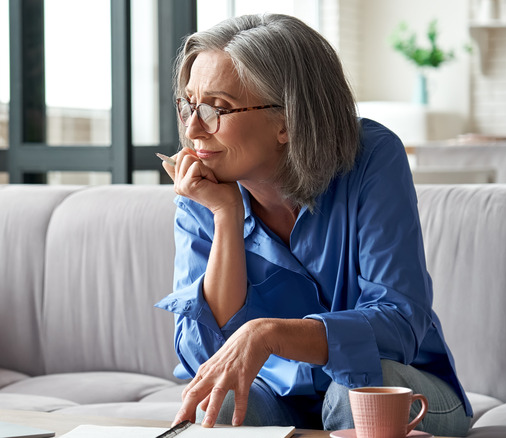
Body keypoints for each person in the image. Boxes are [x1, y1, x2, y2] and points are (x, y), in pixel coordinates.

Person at [154, 13, 472, 436]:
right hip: (276, 396)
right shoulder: (204, 188)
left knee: (353, 391)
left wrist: (270, 334)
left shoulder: (372, 158)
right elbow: (205, 357)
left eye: (217, 108)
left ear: (287, 120)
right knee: (224, 401)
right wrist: (225, 216)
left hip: (402, 385)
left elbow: (399, 322)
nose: (193, 129)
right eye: (188, 104)